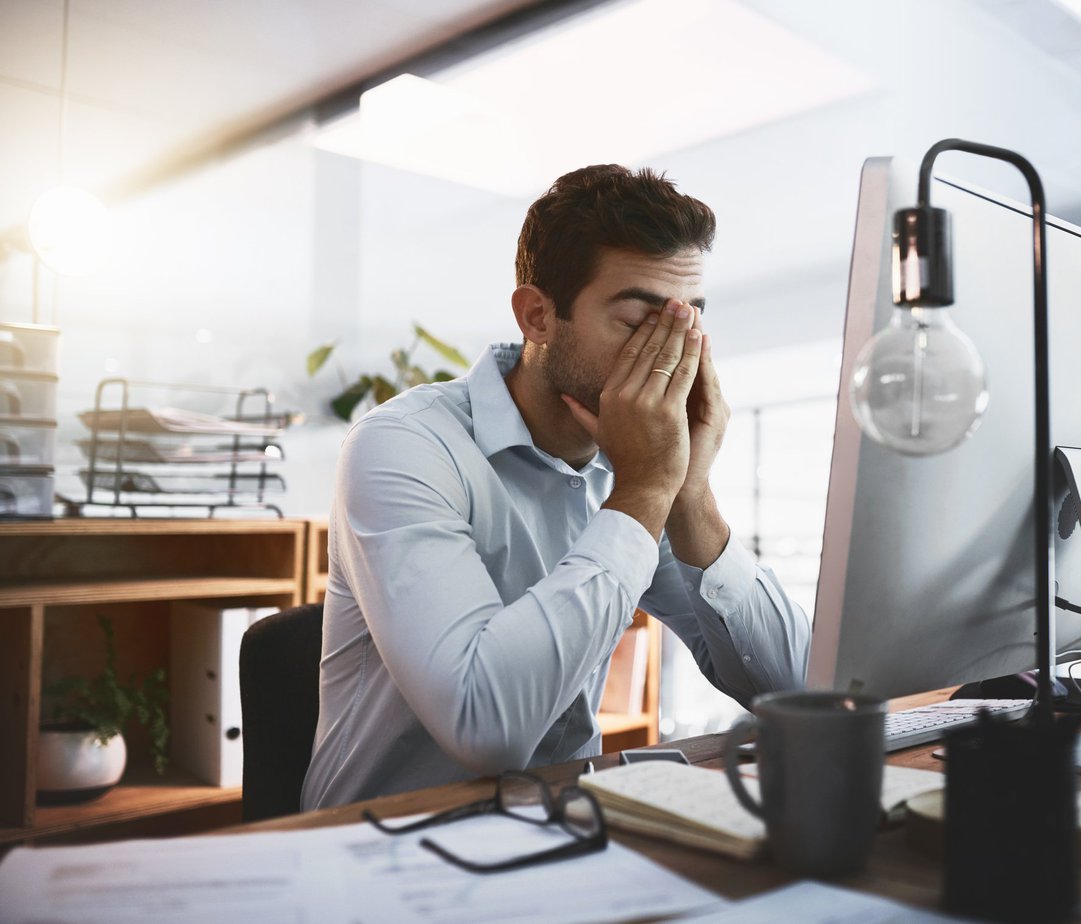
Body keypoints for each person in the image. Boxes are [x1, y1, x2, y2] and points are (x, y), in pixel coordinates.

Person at [301, 164, 809, 809]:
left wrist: (689, 492)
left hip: (565, 825)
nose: (672, 356)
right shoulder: (404, 444)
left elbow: (793, 689)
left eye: (687, 326)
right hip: (386, 845)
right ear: (538, 316)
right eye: (637, 323)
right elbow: (486, 731)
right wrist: (647, 489)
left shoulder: (629, 466)